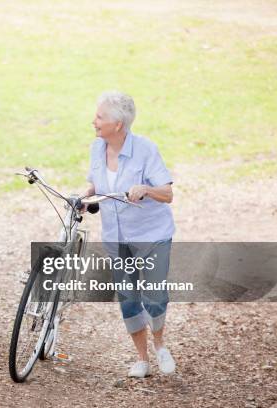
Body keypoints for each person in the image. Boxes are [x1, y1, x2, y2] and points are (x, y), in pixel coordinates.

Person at [82, 91, 176, 377]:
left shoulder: (145, 149)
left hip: (151, 235)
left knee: (155, 296)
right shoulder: (96, 148)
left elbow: (168, 193)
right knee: (129, 298)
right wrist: (84, 196)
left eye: (99, 117)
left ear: (118, 124)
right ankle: (142, 359)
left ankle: (160, 346)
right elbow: (95, 185)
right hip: (116, 237)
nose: (93, 122)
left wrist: (145, 189)